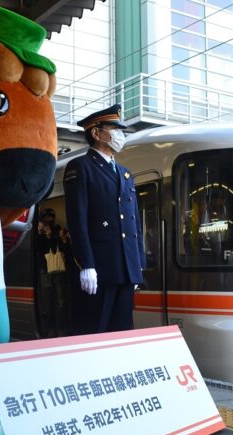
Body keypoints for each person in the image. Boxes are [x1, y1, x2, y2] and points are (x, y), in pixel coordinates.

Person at [63, 104, 145, 334]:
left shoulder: (125, 173)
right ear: (96, 133)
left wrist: (137, 264)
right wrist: (86, 264)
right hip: (99, 268)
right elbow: (77, 220)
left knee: (122, 332)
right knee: (94, 330)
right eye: (114, 129)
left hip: (125, 268)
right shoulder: (81, 167)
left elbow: (134, 224)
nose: (120, 135)